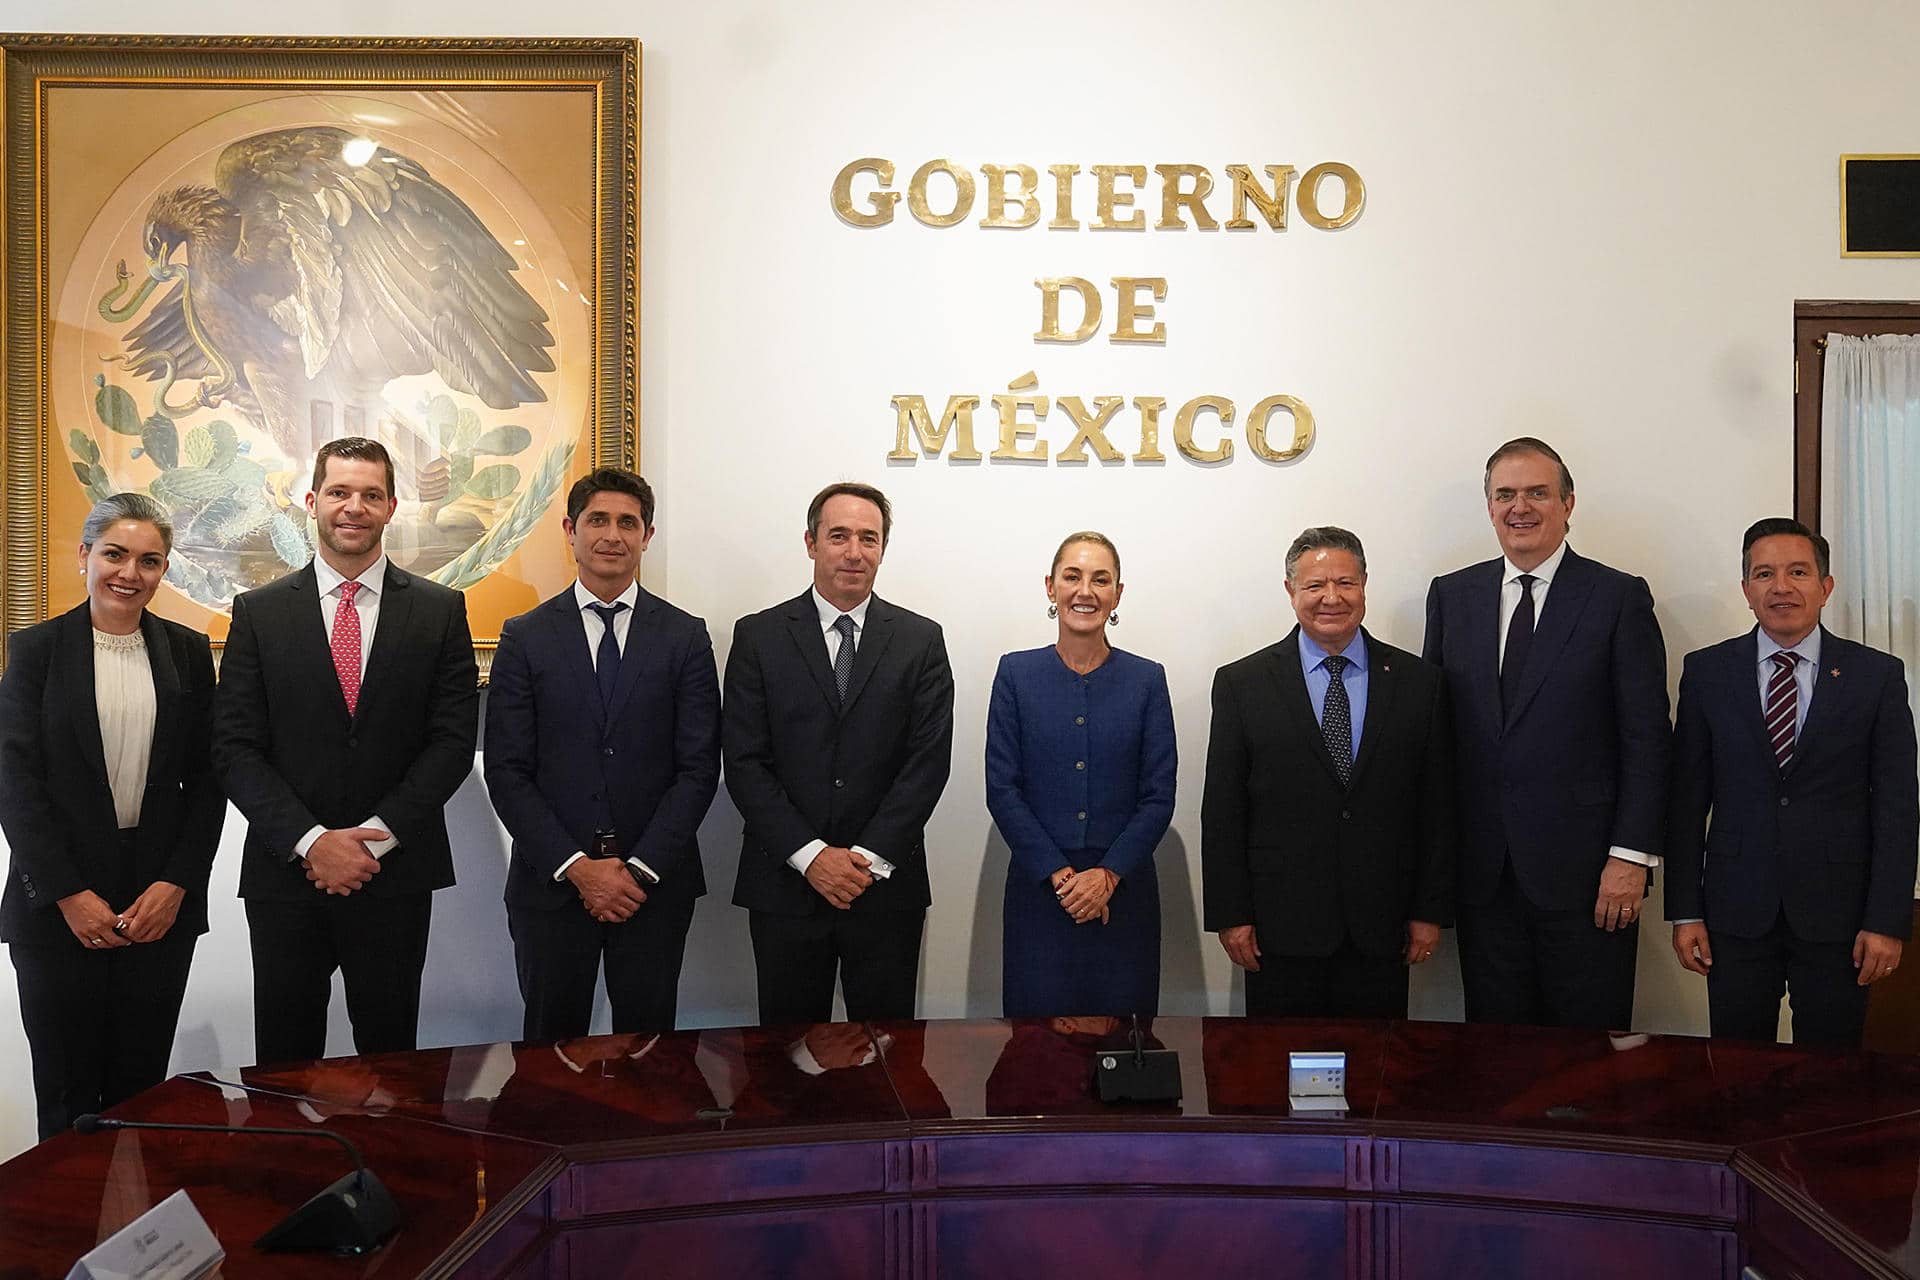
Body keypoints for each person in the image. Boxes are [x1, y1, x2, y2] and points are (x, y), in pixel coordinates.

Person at [214, 436, 478, 1065]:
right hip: (286, 878)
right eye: (339, 491)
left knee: (393, 1064)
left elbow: (451, 743)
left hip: (394, 875)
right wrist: (314, 842)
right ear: (312, 500)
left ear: (391, 507)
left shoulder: (441, 611)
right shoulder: (258, 612)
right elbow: (235, 748)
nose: (353, 507)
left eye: (370, 494)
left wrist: (373, 839)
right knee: (283, 1062)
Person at [1423, 438, 1670, 1029]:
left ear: (1568, 503)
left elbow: (1648, 738)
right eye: (1505, 494)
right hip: (1483, 879)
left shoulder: (1616, 597)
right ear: (1489, 507)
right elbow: (1434, 742)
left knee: (1589, 1059)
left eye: (1537, 492)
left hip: (1590, 879)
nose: (1520, 507)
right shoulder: (1453, 596)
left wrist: (1630, 857)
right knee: (1496, 1058)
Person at [0, 494, 224, 1138]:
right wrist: (69, 895)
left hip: (157, 903)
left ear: (164, 570)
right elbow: (17, 784)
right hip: (58, 907)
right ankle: (66, 1242)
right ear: (85, 556)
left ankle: (141, 1239)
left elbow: (208, 784)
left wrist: (175, 885)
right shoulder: (37, 650)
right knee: (69, 1103)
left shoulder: (186, 652)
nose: (130, 573)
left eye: (149, 561)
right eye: (115, 555)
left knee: (140, 1098)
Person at [483, 467, 721, 1041]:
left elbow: (698, 768)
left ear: (647, 535)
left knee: (651, 1054)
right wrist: (579, 869)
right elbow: (507, 770)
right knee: (549, 1054)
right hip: (552, 885)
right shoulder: (524, 636)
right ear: (570, 530)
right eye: (597, 520)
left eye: (627, 522)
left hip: (654, 887)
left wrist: (635, 871)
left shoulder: (686, 636)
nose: (612, 535)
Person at [1666, 518, 1918, 1047]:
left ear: (1825, 587)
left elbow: (1897, 808)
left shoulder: (1877, 676)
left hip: (1841, 918)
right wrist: (1685, 910)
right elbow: (1686, 801)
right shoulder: (1708, 673)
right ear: (1747, 591)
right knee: (1736, 1071)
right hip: (1734, 914)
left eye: (1798, 572)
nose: (1781, 587)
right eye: (1765, 574)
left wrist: (1887, 920)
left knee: (1829, 1080)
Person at [724, 482, 954, 1024]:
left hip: (883, 889)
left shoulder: (921, 640)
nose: (855, 551)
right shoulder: (759, 637)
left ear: (882, 549)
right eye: (839, 536)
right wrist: (811, 856)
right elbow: (744, 761)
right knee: (784, 1065)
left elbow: (927, 763)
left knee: (887, 1063)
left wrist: (864, 860)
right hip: (786, 884)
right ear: (810, 543)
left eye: (869, 538)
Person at [1203, 527, 1454, 1017]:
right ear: (1291, 591)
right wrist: (1231, 916)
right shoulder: (1242, 683)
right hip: (1279, 929)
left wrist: (1430, 911)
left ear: (1365, 586)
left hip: (1384, 925)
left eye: (1345, 583)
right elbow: (1224, 811)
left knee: (1377, 1079)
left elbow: (1437, 807)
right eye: (1315, 585)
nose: (1331, 598)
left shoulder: (1419, 683)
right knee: (1278, 1076)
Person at [986, 532, 1175, 1018]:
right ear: (1050, 587)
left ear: (1117, 595)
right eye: (1072, 577)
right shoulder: (1015, 674)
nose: (1084, 591)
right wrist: (1064, 877)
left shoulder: (1147, 679)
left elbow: (1158, 796)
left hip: (1124, 892)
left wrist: (1107, 877)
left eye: (1100, 579)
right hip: (1039, 893)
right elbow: (1002, 789)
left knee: (1125, 1051)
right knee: (1036, 1058)